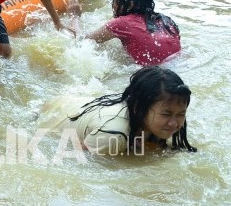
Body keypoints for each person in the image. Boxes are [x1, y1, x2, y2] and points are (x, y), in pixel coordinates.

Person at [67, 66, 195, 155]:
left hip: (82, 106)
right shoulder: (113, 135)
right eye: (166, 114)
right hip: (58, 115)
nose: (173, 123)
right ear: (138, 108)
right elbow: (78, 159)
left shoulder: (149, 117)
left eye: (180, 114)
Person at [68, 0, 181, 65]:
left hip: (149, 73)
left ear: (131, 4)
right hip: (177, 63)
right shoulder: (165, 20)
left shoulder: (122, 23)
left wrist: (74, 16)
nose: (113, 4)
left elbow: (82, 40)